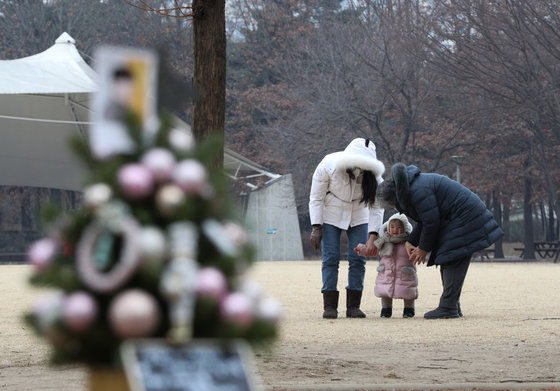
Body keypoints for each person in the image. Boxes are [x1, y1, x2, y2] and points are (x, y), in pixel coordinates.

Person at [375, 163, 503, 319]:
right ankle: (452, 305)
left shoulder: (417, 191)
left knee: (451, 256)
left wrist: (423, 248)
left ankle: (448, 307)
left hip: (465, 217)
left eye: (393, 205)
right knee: (448, 257)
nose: (396, 208)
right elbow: (425, 219)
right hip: (460, 217)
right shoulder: (412, 187)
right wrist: (411, 241)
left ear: (395, 197)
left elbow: (431, 222)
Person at [309, 138, 385, 319]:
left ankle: (353, 306)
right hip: (331, 212)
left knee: (358, 259)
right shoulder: (328, 164)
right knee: (331, 258)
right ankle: (329, 306)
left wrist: (373, 234)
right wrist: (316, 226)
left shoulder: (375, 177)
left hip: (359, 213)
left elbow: (378, 206)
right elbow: (316, 197)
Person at [355, 213, 418, 318]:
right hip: (386, 273)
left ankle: (409, 310)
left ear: (405, 228)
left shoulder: (409, 242)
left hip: (405, 274)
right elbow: (373, 250)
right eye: (392, 227)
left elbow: (417, 250)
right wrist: (362, 249)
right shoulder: (383, 241)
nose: (395, 230)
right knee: (385, 292)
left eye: (399, 227)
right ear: (388, 228)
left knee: (408, 291)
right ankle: (386, 310)